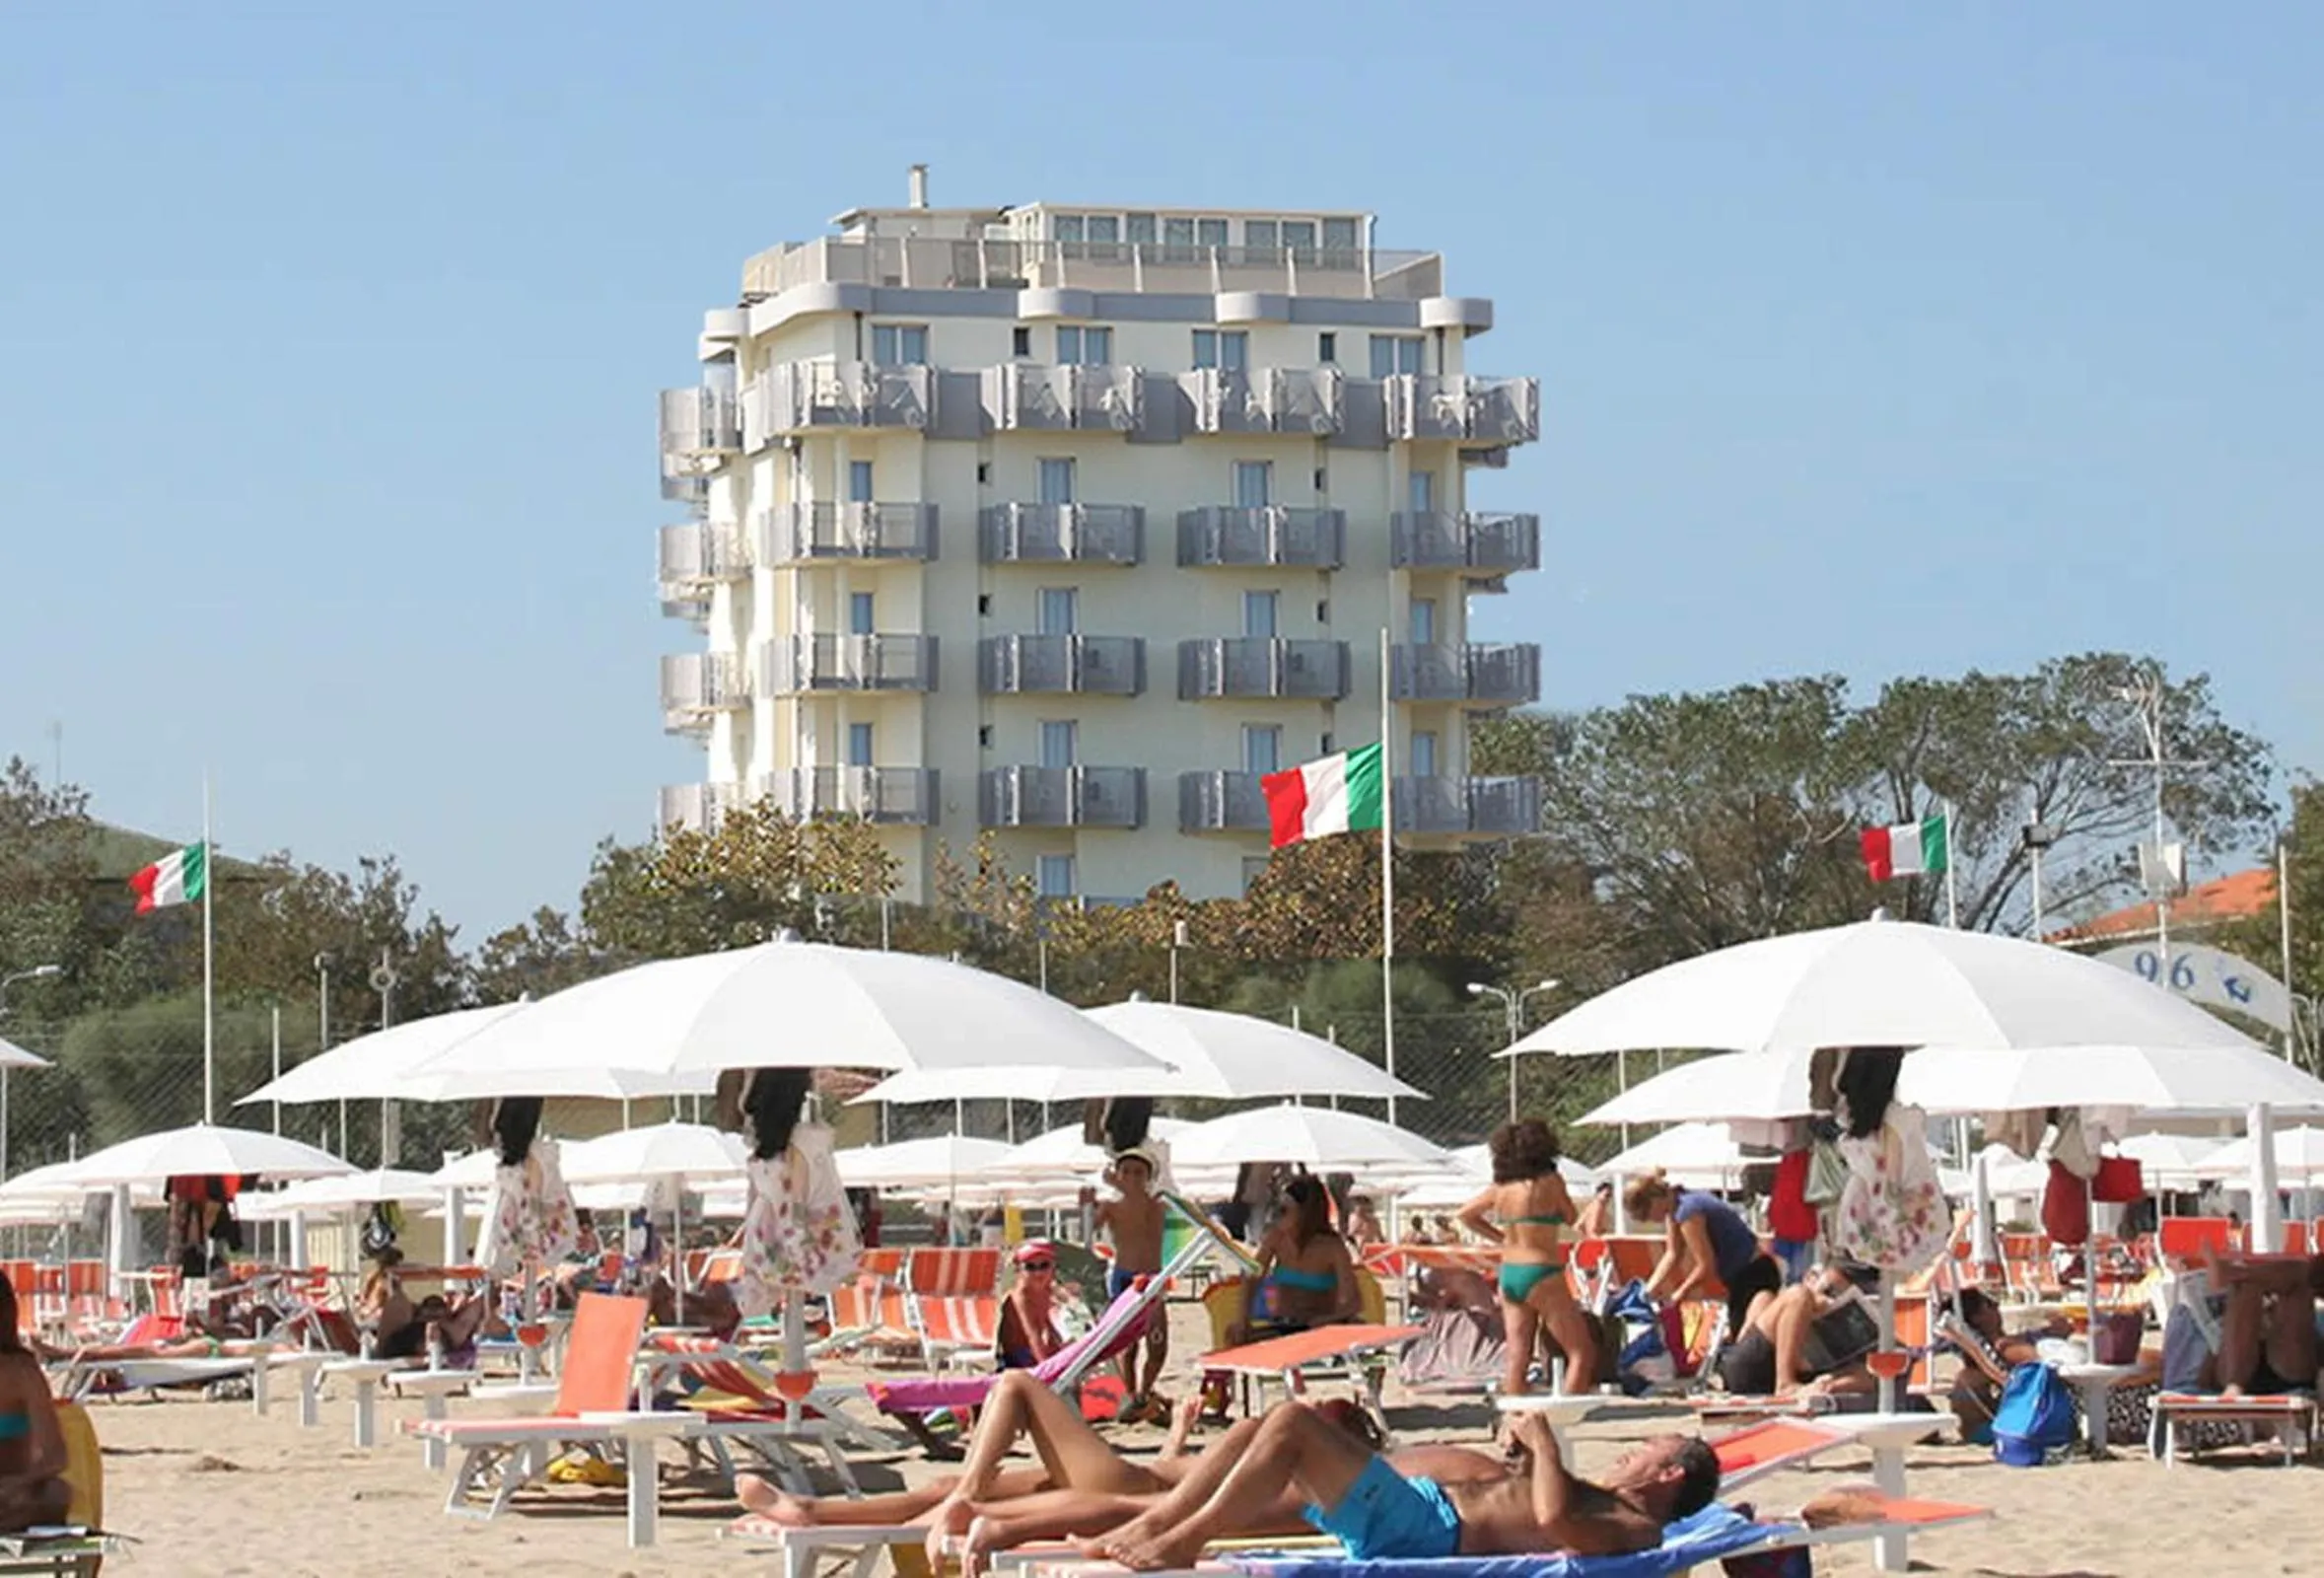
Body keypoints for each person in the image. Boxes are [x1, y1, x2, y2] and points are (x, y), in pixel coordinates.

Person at [1081, 1400, 1719, 1569]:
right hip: (1422, 1511)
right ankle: (1160, 1523)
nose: (1627, 1454)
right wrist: (1524, 1453)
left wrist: (1546, 1446)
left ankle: (1184, 1536)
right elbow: (1535, 1499)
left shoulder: (1639, 1527)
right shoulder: (1603, 1497)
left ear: (1669, 1476)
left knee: (1294, 1424)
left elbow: (1555, 1526)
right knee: (1262, 1425)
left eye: (1642, 1451)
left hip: (1427, 1534)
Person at [1458, 1119, 1596, 1399]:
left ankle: (1516, 1421)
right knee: (1581, 1352)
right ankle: (1562, 1420)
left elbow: (1465, 1215)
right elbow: (1577, 1223)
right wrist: (1599, 1203)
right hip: (1541, 1270)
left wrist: (1500, 1238)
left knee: (1518, 1356)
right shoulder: (1550, 1182)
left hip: (1509, 1272)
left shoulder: (1500, 1188)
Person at [1627, 1173, 1782, 1344]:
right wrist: (1648, 1291)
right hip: (1742, 1277)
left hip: (1753, 1276)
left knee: (1749, 1344)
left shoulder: (1688, 1211)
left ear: (1654, 1200)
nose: (1651, 1220)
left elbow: (1706, 1265)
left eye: (1647, 1215)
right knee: (1742, 1341)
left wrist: (1680, 1293)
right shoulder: (1678, 1203)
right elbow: (1672, 1253)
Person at [1714, 1265, 1879, 1400]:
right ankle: (1785, 1383)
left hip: (1808, 1377)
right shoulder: (1771, 1300)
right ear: (1811, 1277)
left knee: (1876, 1369)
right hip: (1756, 1367)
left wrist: (1831, 1384)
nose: (1830, 1300)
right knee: (1798, 1295)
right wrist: (1811, 1308)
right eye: (1829, 1291)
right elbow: (1743, 1345)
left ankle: (1822, 1386)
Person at [1235, 1175, 1359, 1342]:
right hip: (1284, 1325)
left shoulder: (1331, 1247)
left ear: (1305, 1213)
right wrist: (1243, 1319)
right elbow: (1252, 1278)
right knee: (1233, 1336)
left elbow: (1354, 1303)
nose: (1276, 1216)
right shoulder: (1276, 1238)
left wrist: (1328, 1320)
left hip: (1319, 1328)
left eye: (1283, 1210)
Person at [1094, 1150, 1169, 1423]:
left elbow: (1161, 1201)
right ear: (1117, 1175)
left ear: (1149, 1177)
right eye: (1126, 1172)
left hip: (1153, 1277)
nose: (1133, 1178)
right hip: (1124, 1276)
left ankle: (1143, 1392)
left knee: (1158, 1343)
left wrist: (1119, 1184)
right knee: (1128, 1344)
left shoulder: (1158, 1205)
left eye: (1139, 1173)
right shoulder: (1110, 1207)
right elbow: (1087, 1229)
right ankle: (1131, 1396)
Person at [2199, 1246, 2323, 1396]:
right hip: (2245, 1362)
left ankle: (2233, 1274)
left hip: (2282, 1368)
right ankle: (2234, 1274)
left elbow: (2315, 1276)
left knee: (2296, 1278)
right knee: (2295, 1278)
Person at [0, 1274, 70, 1530]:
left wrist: (17, 1483)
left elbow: (56, 1457)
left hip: (14, 1492)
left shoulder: (23, 1373)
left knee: (57, 1493)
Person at [997, 1241, 1065, 1370]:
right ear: (1019, 1270)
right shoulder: (1021, 1297)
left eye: (1044, 1265)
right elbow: (1032, 1335)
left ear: (1053, 1267)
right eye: (1030, 1267)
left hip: (1033, 1347)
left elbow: (1046, 1322)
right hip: (1016, 1356)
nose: (1038, 1273)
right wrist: (1047, 1368)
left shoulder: (1046, 1290)